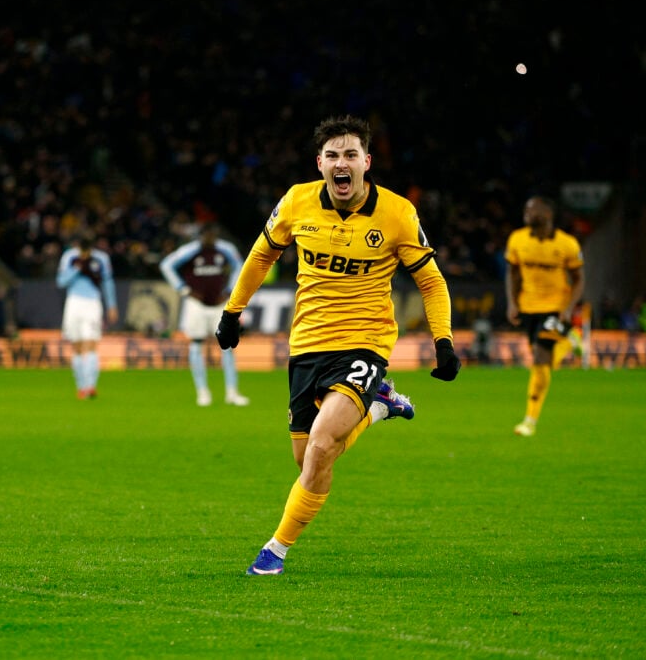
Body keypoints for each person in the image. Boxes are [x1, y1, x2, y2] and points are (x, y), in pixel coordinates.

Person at [215, 115, 461, 575]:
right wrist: (233, 311)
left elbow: (430, 280)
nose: (341, 163)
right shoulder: (296, 201)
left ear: (366, 162)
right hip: (308, 343)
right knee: (306, 458)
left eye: (350, 155)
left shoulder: (397, 214)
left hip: (365, 344)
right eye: (333, 156)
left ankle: (274, 552)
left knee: (324, 445)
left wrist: (442, 341)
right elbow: (262, 253)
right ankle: (381, 406)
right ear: (320, 163)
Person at [504, 196, 585, 437]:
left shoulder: (567, 244)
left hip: (556, 308)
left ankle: (530, 420)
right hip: (529, 308)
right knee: (543, 363)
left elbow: (580, 279)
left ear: (548, 214)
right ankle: (570, 341)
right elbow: (513, 273)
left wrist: (569, 308)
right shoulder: (517, 239)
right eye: (526, 208)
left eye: (533, 209)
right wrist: (512, 302)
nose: (527, 212)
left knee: (539, 358)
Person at [159, 222, 250, 407]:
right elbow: (166, 265)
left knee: (227, 345)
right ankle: (202, 392)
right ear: (201, 236)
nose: (210, 238)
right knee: (196, 344)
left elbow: (240, 265)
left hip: (219, 304)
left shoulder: (225, 249)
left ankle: (232, 392)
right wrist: (183, 289)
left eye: (213, 235)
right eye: (207, 235)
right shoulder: (189, 250)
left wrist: (230, 289)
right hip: (196, 304)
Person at [56, 234, 118, 399]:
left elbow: (107, 281)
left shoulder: (101, 259)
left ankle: (91, 386)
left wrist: (111, 305)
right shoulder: (69, 257)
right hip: (74, 303)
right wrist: (77, 268)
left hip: (93, 303)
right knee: (77, 346)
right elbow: (61, 281)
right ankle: (81, 386)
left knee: (91, 344)